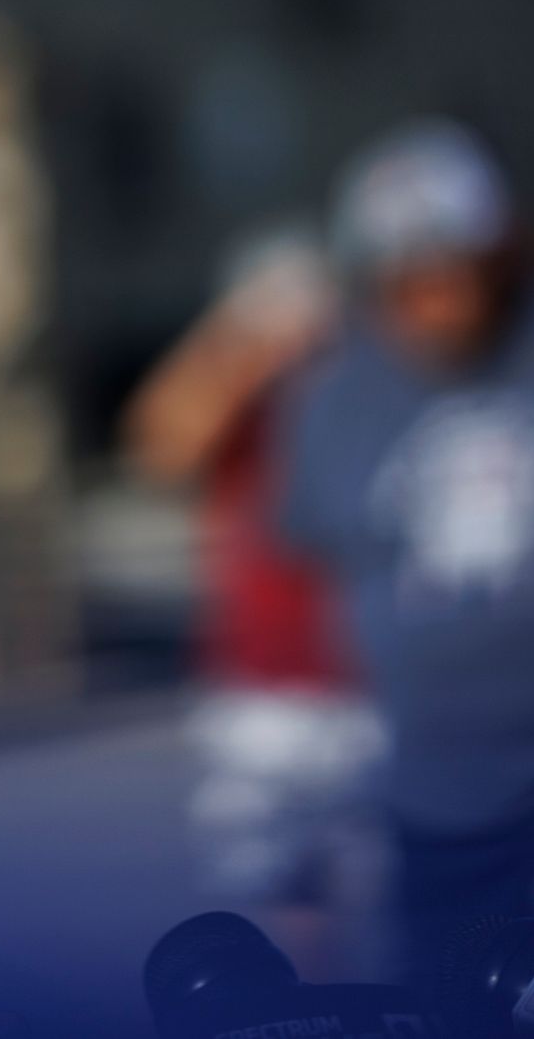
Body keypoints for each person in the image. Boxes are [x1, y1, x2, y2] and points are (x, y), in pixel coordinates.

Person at [278, 119, 534, 983]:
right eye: (404, 277)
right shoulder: (336, 395)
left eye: (450, 268)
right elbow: (330, 578)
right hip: (432, 796)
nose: (431, 296)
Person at [126, 227, 381, 979]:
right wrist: (241, 343)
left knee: (400, 898)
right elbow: (160, 441)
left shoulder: (370, 385)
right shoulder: (237, 397)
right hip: (259, 690)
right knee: (279, 898)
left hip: (373, 681)